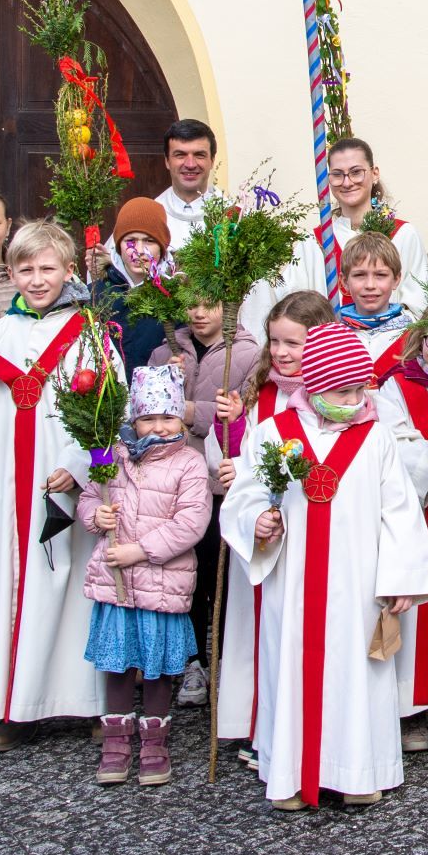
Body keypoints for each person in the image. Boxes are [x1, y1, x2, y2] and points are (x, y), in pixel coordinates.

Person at [219, 323, 428, 811]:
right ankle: (291, 775)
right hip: (293, 583)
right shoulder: (275, 434)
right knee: (290, 667)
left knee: (354, 672)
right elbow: (247, 492)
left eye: (359, 389)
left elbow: (398, 510)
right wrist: (257, 520)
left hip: (356, 584)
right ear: (312, 385)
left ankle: (356, 770)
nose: (352, 399)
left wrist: (402, 578)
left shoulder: (377, 438)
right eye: (340, 390)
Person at [0, 219, 120, 751]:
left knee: (74, 590)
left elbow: (109, 407)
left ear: (69, 270)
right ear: (11, 272)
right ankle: (13, 707)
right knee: (8, 587)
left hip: (64, 482)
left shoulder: (89, 332)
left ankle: (89, 702)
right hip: (6, 485)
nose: (37, 278)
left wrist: (76, 461)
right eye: (26, 268)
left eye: (48, 268)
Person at [208, 290, 337, 766]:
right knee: (254, 631)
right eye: (275, 341)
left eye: (294, 343)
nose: (281, 352)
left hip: (310, 536)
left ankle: (299, 729)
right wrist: (227, 465)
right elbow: (231, 453)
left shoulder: (336, 398)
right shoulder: (257, 392)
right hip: (260, 536)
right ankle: (256, 725)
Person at [77, 364, 212, 787]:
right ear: (133, 419)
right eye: (148, 417)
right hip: (114, 586)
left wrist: (141, 551)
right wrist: (94, 516)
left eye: (167, 416)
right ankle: (116, 742)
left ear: (180, 418)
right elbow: (86, 496)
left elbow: (191, 522)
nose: (157, 426)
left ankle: (155, 742)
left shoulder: (189, 462)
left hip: (161, 582)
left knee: (157, 666)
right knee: (118, 665)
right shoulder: (110, 457)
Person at [148, 297, 263, 712]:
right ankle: (194, 661)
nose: (199, 314)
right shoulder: (165, 351)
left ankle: (226, 661)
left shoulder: (248, 351)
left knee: (222, 574)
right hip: (175, 481)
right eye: (191, 305)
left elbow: (246, 408)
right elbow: (148, 406)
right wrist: (169, 384)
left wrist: (193, 409)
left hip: (219, 481)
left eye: (209, 305)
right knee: (187, 576)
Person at [374, 332, 428, 751]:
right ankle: (412, 707)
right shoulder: (398, 384)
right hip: (423, 510)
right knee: (420, 609)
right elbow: (396, 443)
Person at [328, 136, 428, 317]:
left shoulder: (404, 235)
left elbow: (418, 306)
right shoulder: (315, 243)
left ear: (374, 173)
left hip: (395, 342)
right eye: (337, 174)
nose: (347, 182)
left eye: (356, 172)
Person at [93, 197, 173, 374]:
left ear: (162, 247)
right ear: (119, 246)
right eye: (130, 240)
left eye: (149, 241)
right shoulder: (96, 293)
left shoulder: (175, 295)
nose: (139, 249)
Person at [337, 231, 418, 376]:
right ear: (344, 281)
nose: (370, 285)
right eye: (359, 275)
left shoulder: (414, 334)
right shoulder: (332, 333)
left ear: (396, 279)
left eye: (380, 275)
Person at [157, 117, 219, 252]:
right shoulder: (148, 216)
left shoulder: (235, 217)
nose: (190, 164)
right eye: (180, 155)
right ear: (167, 161)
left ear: (212, 160)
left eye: (199, 155)